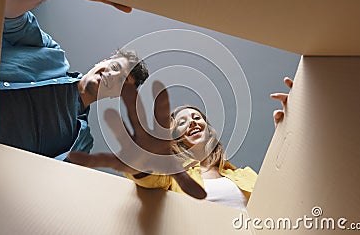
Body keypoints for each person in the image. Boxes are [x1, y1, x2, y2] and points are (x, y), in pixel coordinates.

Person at [0, 0, 149, 161]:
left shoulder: (81, 143)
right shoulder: (50, 53)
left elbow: (44, 178)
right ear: (101, 62)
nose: (113, 75)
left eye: (122, 82)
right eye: (115, 66)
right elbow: (6, 6)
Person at [69, 78, 293, 204]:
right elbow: (148, 178)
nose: (193, 122)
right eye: (183, 122)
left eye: (197, 117)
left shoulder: (245, 175)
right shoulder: (172, 177)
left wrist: (290, 130)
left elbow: (284, 191)